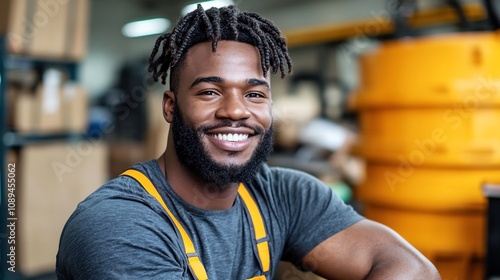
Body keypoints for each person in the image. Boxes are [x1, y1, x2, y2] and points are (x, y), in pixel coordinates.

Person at [56, 5, 440, 280]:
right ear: (171, 107)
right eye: (209, 92)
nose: (236, 112)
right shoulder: (117, 226)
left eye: (255, 95)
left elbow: (415, 270)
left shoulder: (285, 196)